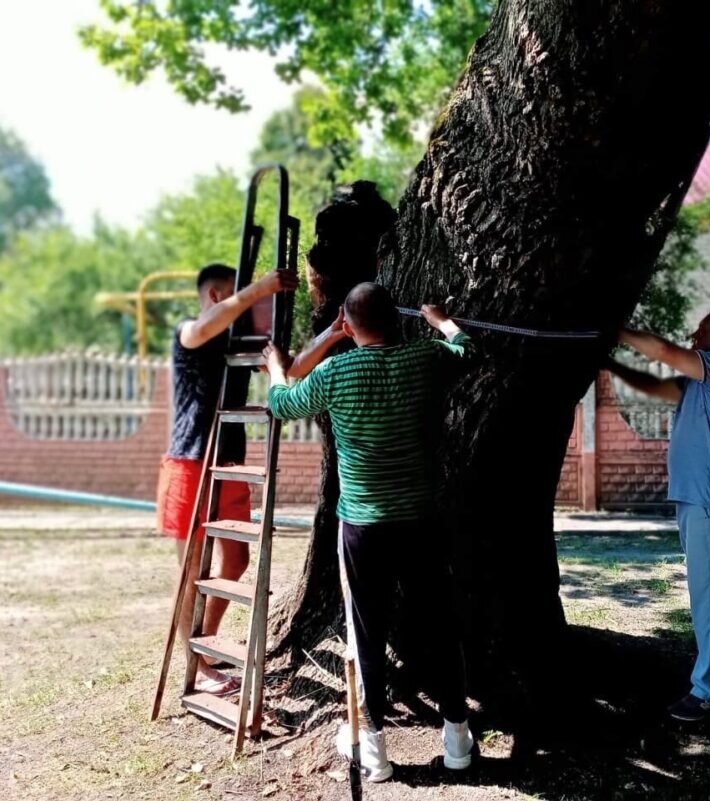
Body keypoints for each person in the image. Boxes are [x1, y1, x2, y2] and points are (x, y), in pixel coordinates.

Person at [263, 282, 474, 782]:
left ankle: (374, 749)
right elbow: (466, 348)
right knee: (440, 626)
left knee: (367, 632)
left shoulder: (336, 372)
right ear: (397, 319)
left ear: (346, 320)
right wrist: (441, 320)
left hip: (363, 526)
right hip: (420, 520)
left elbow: (281, 402)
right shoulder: (423, 360)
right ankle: (458, 738)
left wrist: (277, 364)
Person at [608, 308, 710, 722]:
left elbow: (661, 350)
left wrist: (614, 328)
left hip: (708, 498)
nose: (695, 332)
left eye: (704, 328)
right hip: (702, 498)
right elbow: (654, 385)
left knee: (708, 595)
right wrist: (606, 360)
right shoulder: (701, 384)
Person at [155, 262, 298, 696]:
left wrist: (332, 336)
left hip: (228, 463)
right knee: (192, 570)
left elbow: (288, 369)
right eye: (241, 295)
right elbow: (201, 329)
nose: (254, 305)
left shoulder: (238, 342)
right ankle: (195, 666)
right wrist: (260, 288)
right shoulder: (190, 330)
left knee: (235, 562)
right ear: (217, 295)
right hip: (191, 461)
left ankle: (207, 644)